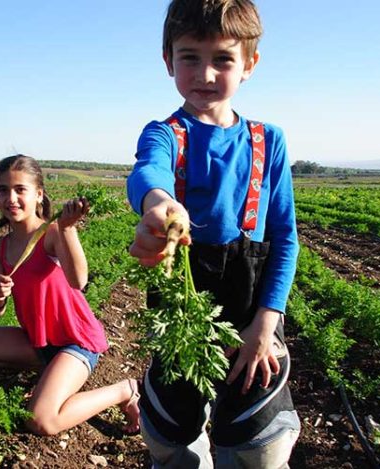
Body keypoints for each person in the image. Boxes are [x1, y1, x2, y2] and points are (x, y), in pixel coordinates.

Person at [126, 0, 300, 467]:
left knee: (258, 439)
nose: (205, 73)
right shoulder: (165, 133)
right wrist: (160, 206)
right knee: (170, 430)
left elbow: (284, 238)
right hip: (185, 305)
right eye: (189, 57)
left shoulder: (269, 141)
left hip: (251, 311)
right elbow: (148, 172)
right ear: (168, 61)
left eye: (222, 58)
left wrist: (267, 323)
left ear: (249, 64)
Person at [0, 155, 140, 435]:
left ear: (39, 194)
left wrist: (68, 228)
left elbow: (79, 281)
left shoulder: (50, 233)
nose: (11, 198)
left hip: (76, 341)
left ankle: (125, 390)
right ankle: (51, 368)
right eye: (3, 190)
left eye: (20, 189)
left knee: (41, 420)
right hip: (37, 340)